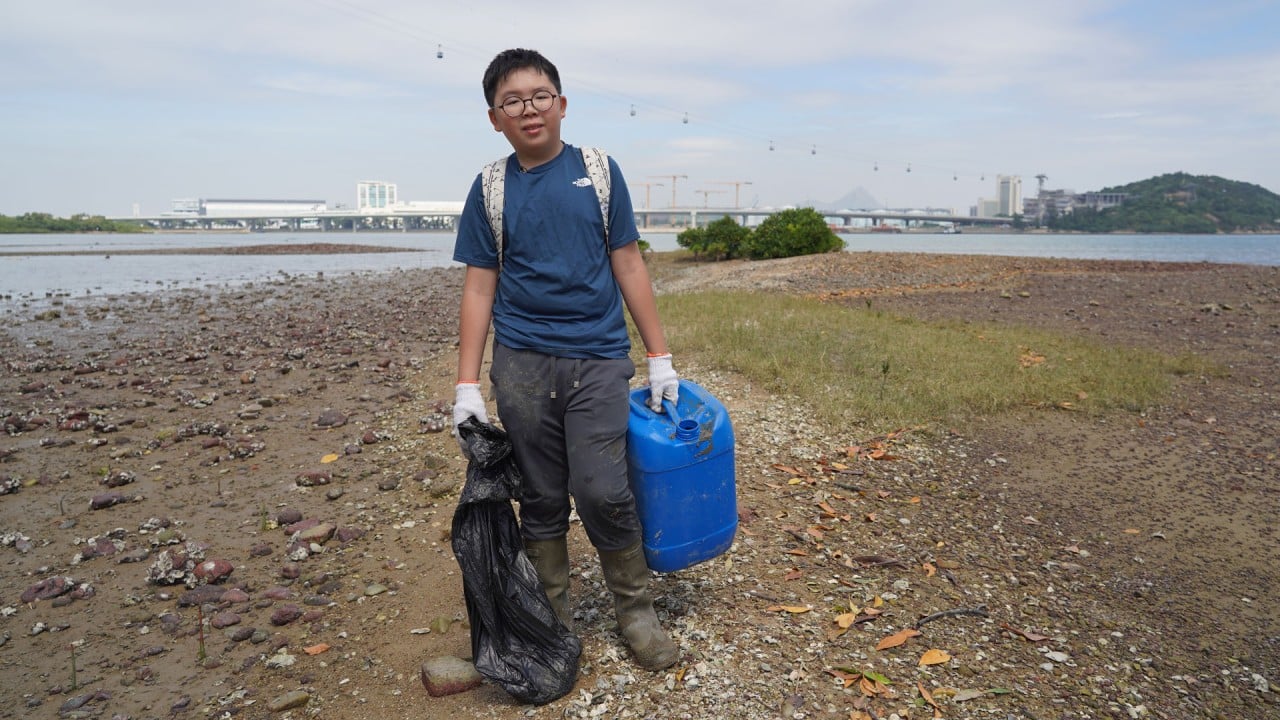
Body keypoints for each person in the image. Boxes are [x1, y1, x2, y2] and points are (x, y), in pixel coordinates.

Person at [450, 48, 680, 671]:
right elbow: (479, 284)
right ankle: (553, 619)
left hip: (599, 357)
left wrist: (659, 356)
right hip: (521, 362)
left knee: (604, 489)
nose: (529, 109)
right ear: (494, 117)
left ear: (561, 104)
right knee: (543, 495)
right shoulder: (490, 187)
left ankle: (635, 613)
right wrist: (467, 385)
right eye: (512, 101)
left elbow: (628, 262)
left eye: (539, 96)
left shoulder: (600, 173)